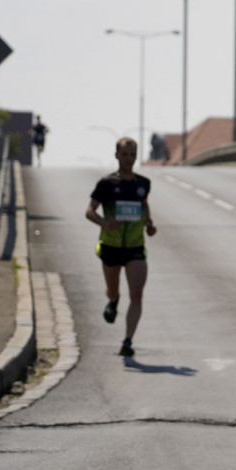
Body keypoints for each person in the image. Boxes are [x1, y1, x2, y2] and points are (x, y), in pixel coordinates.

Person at [84, 137, 156, 357]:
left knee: (136, 293)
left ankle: (127, 341)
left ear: (136, 157)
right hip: (111, 246)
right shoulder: (107, 184)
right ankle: (113, 301)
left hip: (135, 247)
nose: (128, 158)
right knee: (113, 290)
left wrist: (149, 224)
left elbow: (144, 207)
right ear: (116, 156)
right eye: (124, 154)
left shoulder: (143, 184)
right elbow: (89, 211)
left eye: (132, 154)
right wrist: (106, 223)